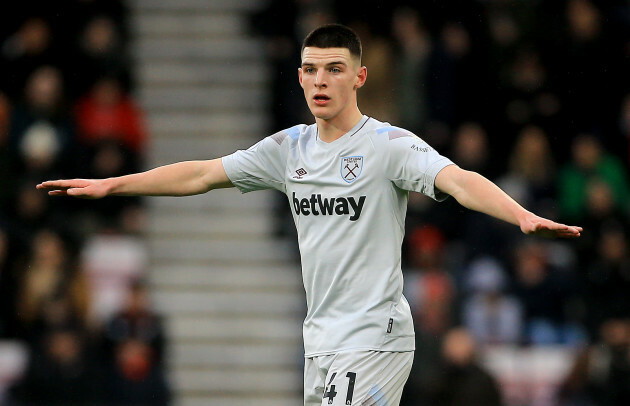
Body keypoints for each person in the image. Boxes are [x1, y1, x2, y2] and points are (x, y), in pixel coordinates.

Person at [37, 24, 582, 406]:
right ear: (299, 77)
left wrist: (520, 215)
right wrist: (115, 184)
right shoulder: (288, 149)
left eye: (334, 69)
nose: (320, 80)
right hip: (321, 335)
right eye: (311, 69)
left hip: (374, 334)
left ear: (360, 78)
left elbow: (458, 181)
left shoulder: (389, 145)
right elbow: (202, 175)